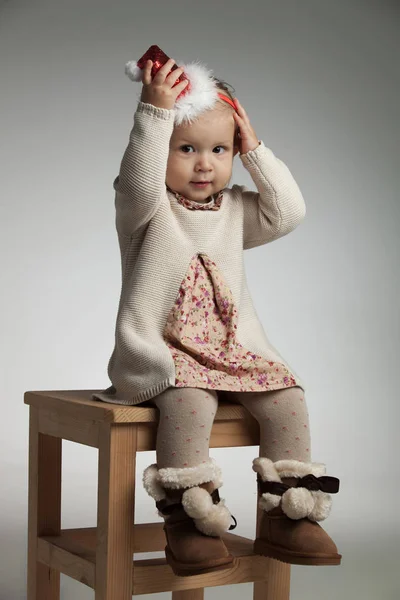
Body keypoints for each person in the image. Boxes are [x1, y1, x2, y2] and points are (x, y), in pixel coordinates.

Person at [94, 55, 341, 576]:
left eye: (219, 150)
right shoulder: (143, 210)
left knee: (288, 398)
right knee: (189, 402)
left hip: (233, 352)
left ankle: (286, 514)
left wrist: (256, 151)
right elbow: (138, 180)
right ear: (160, 150)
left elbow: (289, 212)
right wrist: (153, 113)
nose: (204, 164)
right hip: (167, 355)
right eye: (186, 149)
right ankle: (189, 521)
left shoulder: (234, 210)